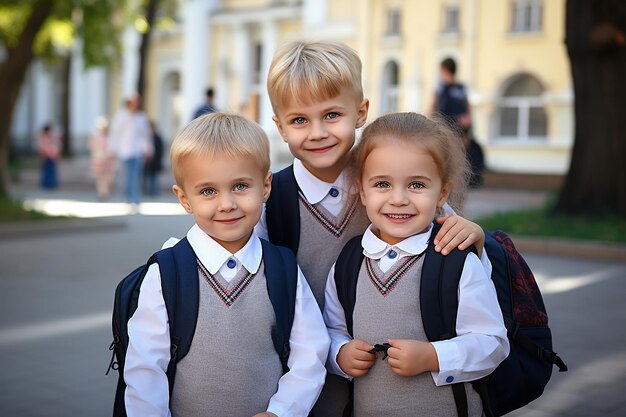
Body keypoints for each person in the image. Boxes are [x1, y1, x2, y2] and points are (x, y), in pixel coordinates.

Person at [257, 40, 491, 416]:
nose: (317, 132)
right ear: (280, 127)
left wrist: (474, 238)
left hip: (396, 385)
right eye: (300, 120)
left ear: (361, 111)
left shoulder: (392, 182)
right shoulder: (273, 201)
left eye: (331, 114)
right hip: (302, 386)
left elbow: (455, 258)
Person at [124, 113, 330, 417]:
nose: (226, 204)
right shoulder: (167, 274)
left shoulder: (281, 268)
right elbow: (145, 371)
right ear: (184, 198)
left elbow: (310, 352)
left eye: (240, 186)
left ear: (265, 186)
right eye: (208, 191)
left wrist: (282, 412)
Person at [323, 112, 509, 417]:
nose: (398, 199)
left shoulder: (455, 260)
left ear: (443, 192)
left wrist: (433, 356)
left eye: (416, 185)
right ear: (362, 189)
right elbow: (331, 329)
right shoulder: (349, 262)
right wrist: (339, 352)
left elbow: (493, 344)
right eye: (382, 184)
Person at [109, 94, 153, 206]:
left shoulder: (141, 117)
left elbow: (145, 135)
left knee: (136, 176)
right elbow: (115, 134)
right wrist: (113, 149)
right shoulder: (121, 117)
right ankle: (127, 197)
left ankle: (135, 198)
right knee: (125, 176)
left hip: (137, 151)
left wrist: (148, 149)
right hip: (124, 151)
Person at [431, 57, 472, 131]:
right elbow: (467, 109)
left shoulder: (441, 88)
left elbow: (432, 107)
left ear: (445, 70)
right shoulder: (461, 88)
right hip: (459, 128)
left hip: (445, 127)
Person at [88, 117, 116, 200]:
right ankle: (101, 193)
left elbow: (112, 147)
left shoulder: (109, 136)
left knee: (107, 178)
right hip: (99, 159)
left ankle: (105, 192)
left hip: (107, 159)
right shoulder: (96, 136)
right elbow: (91, 146)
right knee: (100, 177)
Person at [37, 123, 61, 189]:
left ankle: (51, 183)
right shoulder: (45, 137)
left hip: (51, 155)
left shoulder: (49, 137)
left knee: (50, 170)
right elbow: (43, 147)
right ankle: (48, 183)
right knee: (48, 170)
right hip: (48, 155)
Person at [143, 120, 164, 196]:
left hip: (155, 162)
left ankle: (153, 192)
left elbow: (160, 151)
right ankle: (147, 191)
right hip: (147, 162)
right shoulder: (146, 138)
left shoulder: (157, 138)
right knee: (147, 177)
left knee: (153, 178)